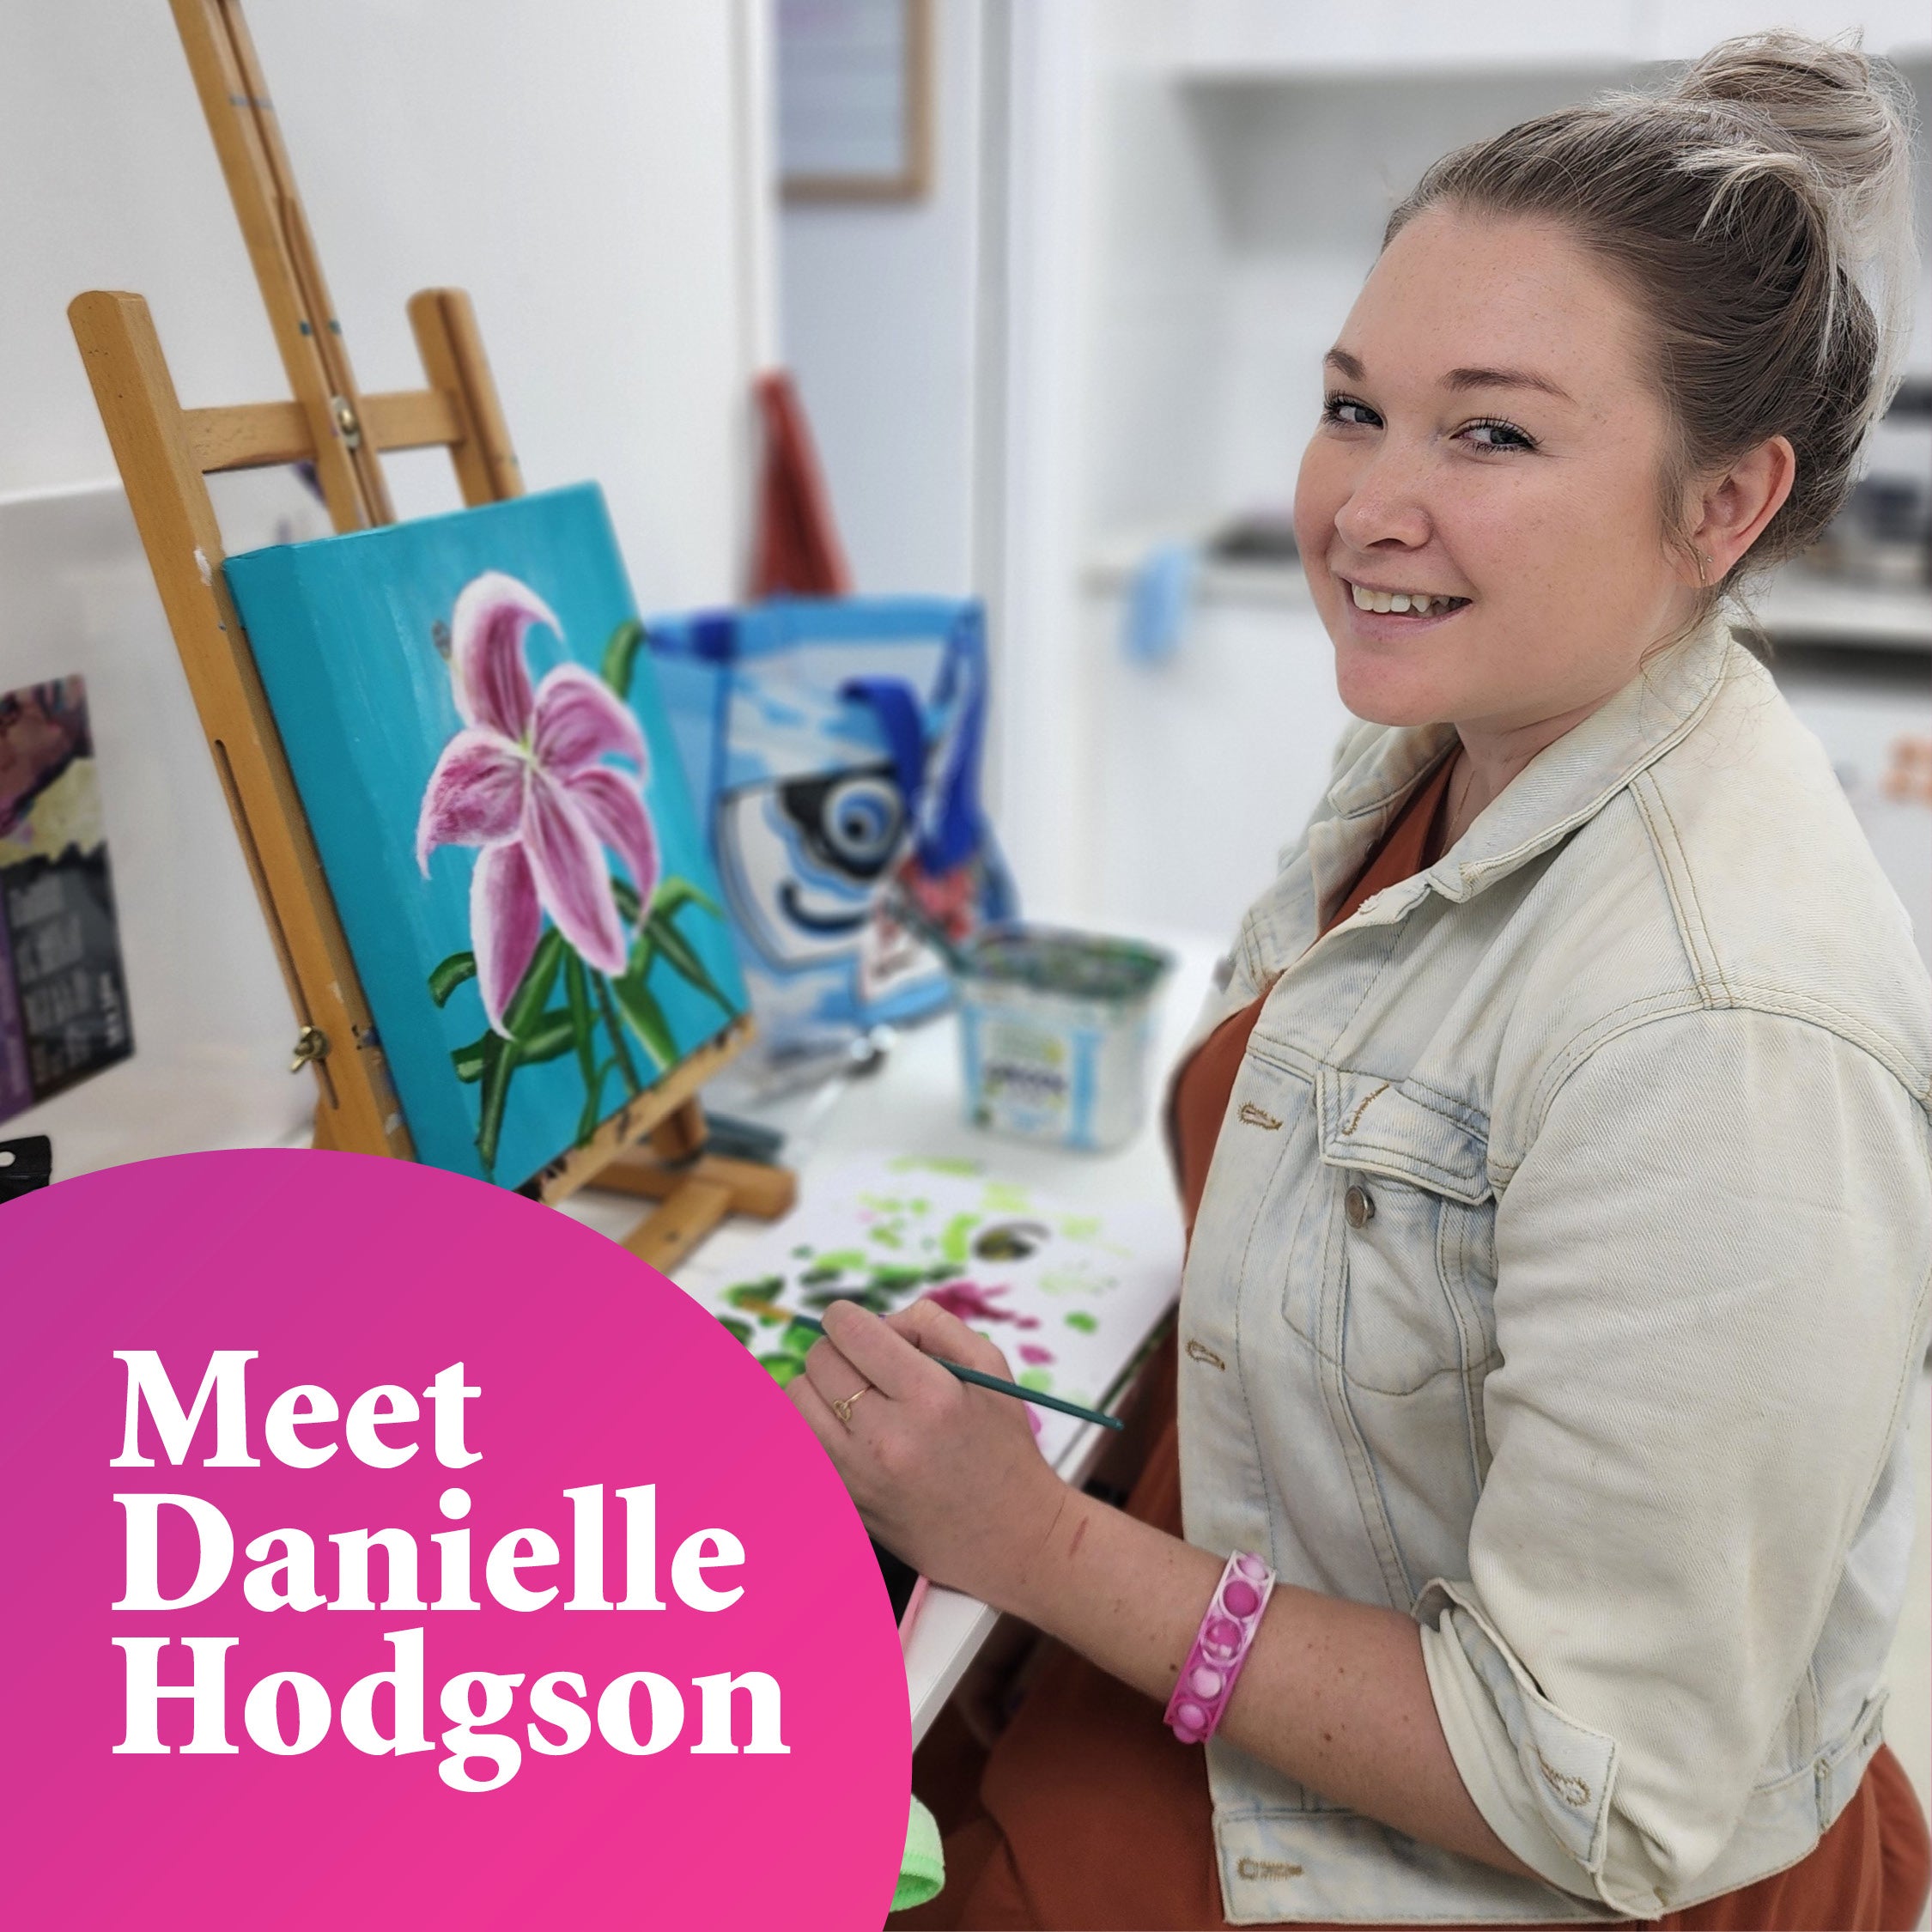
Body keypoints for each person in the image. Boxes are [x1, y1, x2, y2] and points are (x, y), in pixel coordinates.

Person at [796, 32, 1932, 1930]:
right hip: (1244, 1621)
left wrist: (1026, 1539)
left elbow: (1592, 1792)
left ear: (1723, 504)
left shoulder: (1724, 1041)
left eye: (1489, 432)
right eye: (1352, 408)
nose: (1365, 510)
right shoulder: (1457, 746)